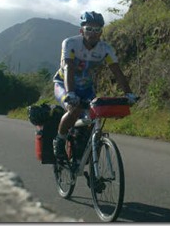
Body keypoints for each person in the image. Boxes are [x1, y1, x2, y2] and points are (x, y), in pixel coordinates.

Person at [52, 11, 137, 160]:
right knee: (74, 109)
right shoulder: (70, 43)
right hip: (64, 83)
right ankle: (59, 140)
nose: (93, 33)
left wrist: (128, 94)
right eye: (89, 29)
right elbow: (68, 68)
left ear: (101, 32)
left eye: (97, 29)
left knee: (94, 118)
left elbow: (117, 72)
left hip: (86, 88)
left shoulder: (105, 49)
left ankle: (84, 156)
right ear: (81, 30)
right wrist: (70, 93)